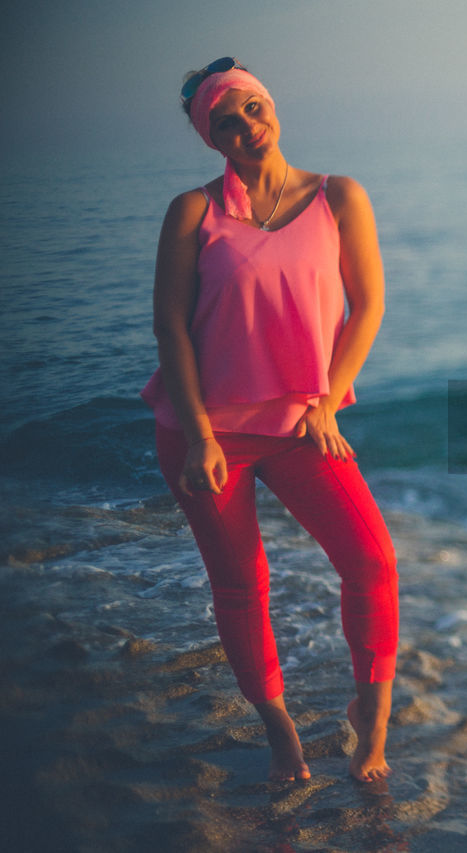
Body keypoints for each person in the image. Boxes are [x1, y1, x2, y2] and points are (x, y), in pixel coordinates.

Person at [141, 58, 398, 783]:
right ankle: (280, 728)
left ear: (271, 106)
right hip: (206, 433)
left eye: (254, 108)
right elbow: (170, 329)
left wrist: (328, 396)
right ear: (211, 140)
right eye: (228, 121)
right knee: (241, 583)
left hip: (303, 424)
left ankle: (370, 723)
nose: (248, 126)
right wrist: (195, 435)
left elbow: (368, 305)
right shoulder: (194, 213)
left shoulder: (337, 197)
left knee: (373, 559)